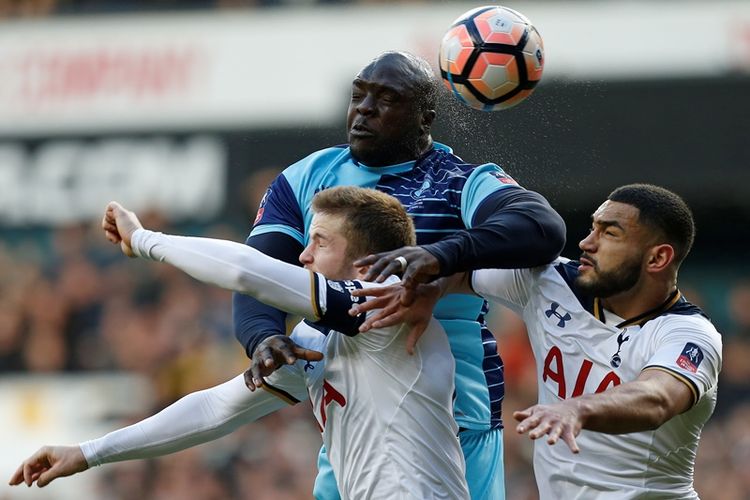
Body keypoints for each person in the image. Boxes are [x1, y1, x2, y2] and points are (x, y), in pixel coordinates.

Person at [235, 50, 566, 499]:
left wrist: (439, 255)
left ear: (424, 116)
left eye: (387, 99)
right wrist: (261, 334)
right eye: (359, 95)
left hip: (451, 413)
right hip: (351, 410)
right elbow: (258, 271)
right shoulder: (305, 177)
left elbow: (543, 228)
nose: (364, 109)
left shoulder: (458, 182)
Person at [9, 187, 470, 499]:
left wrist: (143, 239)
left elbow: (248, 273)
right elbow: (217, 409)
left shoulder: (383, 307)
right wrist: (88, 453)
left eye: (320, 243)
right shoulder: (320, 336)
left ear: (366, 263)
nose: (304, 255)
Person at [351, 184, 722, 499]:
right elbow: (468, 273)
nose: (586, 242)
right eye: (593, 228)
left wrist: (577, 409)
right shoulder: (551, 282)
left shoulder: (688, 334)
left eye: (610, 233)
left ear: (658, 258)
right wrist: (435, 289)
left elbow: (657, 397)